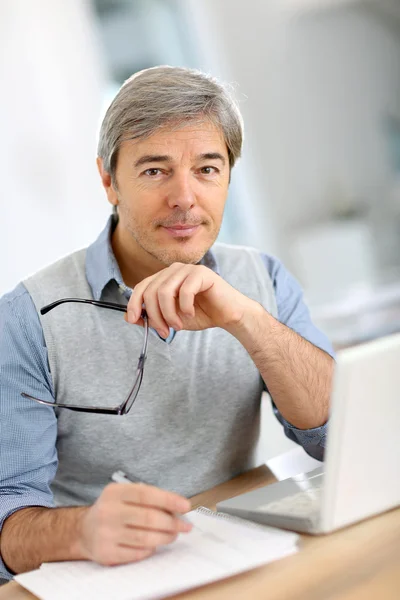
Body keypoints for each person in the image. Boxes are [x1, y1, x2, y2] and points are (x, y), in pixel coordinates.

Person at [0, 66, 334, 580]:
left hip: (241, 559)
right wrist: (80, 531)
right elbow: (6, 519)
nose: (184, 198)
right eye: (155, 171)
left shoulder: (261, 279)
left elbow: (333, 438)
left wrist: (245, 318)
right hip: (104, 575)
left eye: (207, 169)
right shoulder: (26, 319)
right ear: (109, 180)